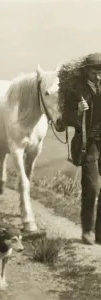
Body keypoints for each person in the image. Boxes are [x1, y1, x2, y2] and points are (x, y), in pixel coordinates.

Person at [72, 52, 101, 245]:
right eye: (94, 72)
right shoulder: (76, 91)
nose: (98, 76)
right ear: (86, 72)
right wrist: (78, 111)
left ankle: (100, 234)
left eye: (100, 72)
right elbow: (62, 121)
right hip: (88, 144)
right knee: (92, 186)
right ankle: (88, 230)